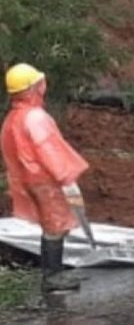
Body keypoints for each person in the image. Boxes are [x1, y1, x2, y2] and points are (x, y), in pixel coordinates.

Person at [1, 64, 90, 293]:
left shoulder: (12, 119)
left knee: (51, 224)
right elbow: (49, 150)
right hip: (45, 181)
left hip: (28, 180)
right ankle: (52, 276)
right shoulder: (35, 117)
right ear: (33, 87)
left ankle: (52, 273)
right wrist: (65, 177)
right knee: (55, 226)